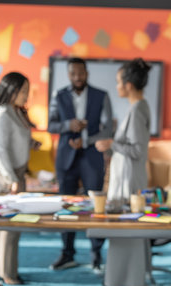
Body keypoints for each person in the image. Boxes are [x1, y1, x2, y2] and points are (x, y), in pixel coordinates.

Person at [48, 57, 113, 272]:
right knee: (65, 205)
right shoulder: (59, 95)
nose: (77, 77)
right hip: (66, 156)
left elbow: (108, 128)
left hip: (91, 156)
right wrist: (69, 125)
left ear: (87, 73)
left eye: (81, 73)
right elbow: (51, 125)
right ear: (68, 74)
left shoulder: (101, 95)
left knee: (95, 205)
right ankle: (67, 254)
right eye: (73, 74)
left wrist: (86, 140)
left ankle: (96, 257)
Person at [95, 58, 153, 286]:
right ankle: (136, 285)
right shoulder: (136, 107)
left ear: (128, 84)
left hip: (130, 180)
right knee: (126, 232)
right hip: (126, 178)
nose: (116, 86)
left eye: (119, 82)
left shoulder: (138, 109)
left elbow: (139, 150)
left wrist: (111, 144)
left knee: (128, 231)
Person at [0, 72, 41, 285]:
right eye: (23, 91)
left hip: (15, 171)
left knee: (2, 221)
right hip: (4, 172)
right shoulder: (1, 114)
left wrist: (31, 143)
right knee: (10, 222)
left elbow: (16, 139)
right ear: (11, 90)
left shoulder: (15, 112)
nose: (26, 95)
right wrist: (11, 179)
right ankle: (7, 273)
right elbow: (1, 150)